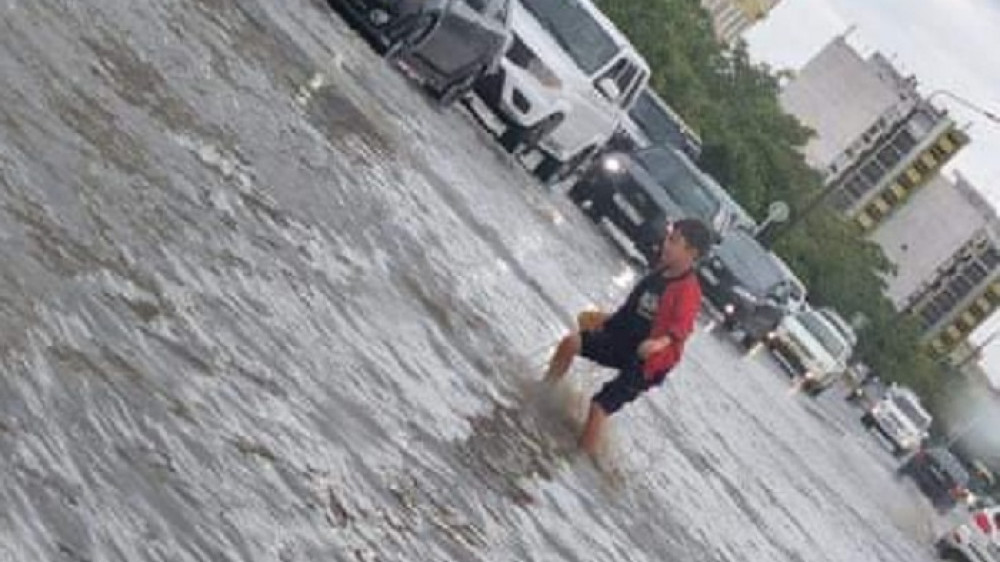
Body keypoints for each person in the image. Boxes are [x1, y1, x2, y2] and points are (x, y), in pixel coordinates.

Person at [545, 218, 712, 455]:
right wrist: (605, 321)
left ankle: (580, 461)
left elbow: (680, 330)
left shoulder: (689, 290)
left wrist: (657, 344)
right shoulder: (659, 273)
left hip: (649, 363)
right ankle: (543, 393)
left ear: (692, 253)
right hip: (626, 340)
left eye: (674, 241)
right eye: (668, 238)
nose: (666, 244)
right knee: (571, 343)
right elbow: (632, 310)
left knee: (599, 406)